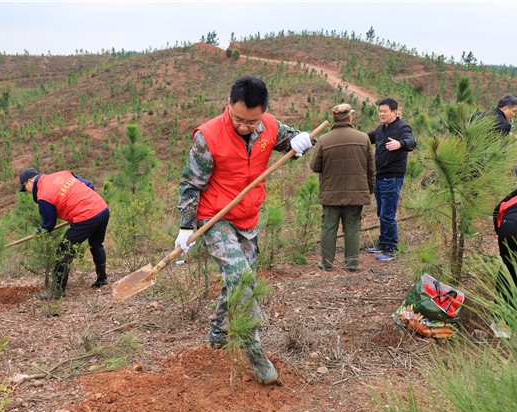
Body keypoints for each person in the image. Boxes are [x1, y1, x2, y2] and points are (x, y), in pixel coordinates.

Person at [175, 76, 313, 384]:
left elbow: (292, 139)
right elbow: (190, 183)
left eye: (252, 121)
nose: (244, 126)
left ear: (263, 112)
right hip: (215, 218)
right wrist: (186, 226)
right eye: (238, 119)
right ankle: (253, 350)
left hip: (248, 217)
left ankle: (217, 333)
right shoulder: (208, 136)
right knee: (241, 277)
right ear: (229, 105)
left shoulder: (269, 126)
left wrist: (301, 141)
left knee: (239, 280)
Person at [19, 167, 110, 299]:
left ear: (29, 182)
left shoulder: (43, 195)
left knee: (63, 252)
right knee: (96, 244)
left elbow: (49, 225)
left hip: (86, 217)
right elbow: (90, 185)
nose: (27, 192)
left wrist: (39, 233)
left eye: (24, 188)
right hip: (102, 208)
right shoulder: (62, 174)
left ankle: (57, 292)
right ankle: (102, 279)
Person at [310, 103, 375, 272]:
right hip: (356, 193)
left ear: (334, 118)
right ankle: (352, 264)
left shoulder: (324, 140)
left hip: (331, 193)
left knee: (329, 227)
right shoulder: (364, 138)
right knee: (352, 227)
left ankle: (326, 263)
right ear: (350, 118)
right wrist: (369, 190)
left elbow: (314, 166)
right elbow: (371, 168)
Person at [366, 98, 417, 261]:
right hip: (379, 176)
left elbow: (412, 142)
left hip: (392, 176)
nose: (381, 114)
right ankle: (383, 243)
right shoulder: (380, 129)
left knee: (388, 214)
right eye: (380, 111)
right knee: (381, 212)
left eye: (384, 111)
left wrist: (400, 144)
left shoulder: (402, 128)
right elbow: (367, 138)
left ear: (394, 112)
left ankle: (392, 248)